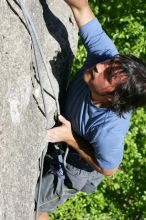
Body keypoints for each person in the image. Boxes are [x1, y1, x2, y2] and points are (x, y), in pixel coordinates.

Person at [35, 0, 146, 219]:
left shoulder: (109, 129)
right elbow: (81, 8)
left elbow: (108, 169)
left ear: (112, 98)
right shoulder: (105, 56)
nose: (100, 66)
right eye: (109, 63)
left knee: (35, 207)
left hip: (76, 165)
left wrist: (71, 139)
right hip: (66, 134)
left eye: (108, 75)